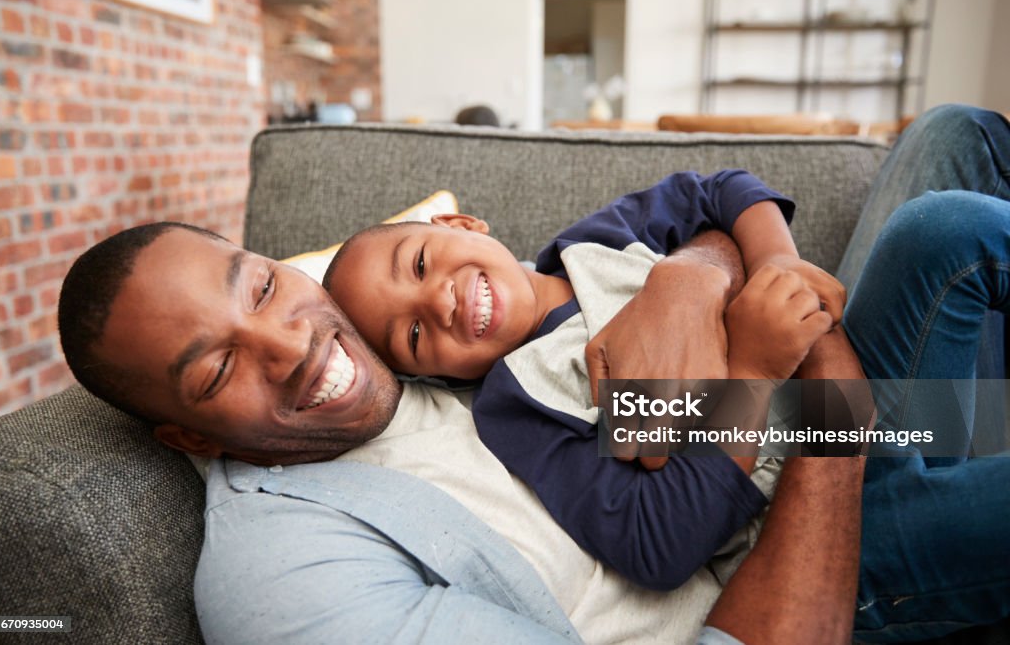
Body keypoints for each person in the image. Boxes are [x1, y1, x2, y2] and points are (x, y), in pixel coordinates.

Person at [55, 105, 1010, 643]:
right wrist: (811, 402)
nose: (292, 345)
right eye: (218, 368)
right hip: (804, 541)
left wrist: (692, 281)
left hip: (821, 427)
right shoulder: (297, 575)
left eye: (261, 287)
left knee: (950, 201)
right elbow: (663, 542)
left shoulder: (465, 310)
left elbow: (708, 204)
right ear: (185, 433)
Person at [320, 173, 844, 589]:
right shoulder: (515, 409)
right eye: (412, 333)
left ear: (460, 224)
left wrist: (779, 263)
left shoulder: (598, 241)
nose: (439, 301)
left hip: (853, 385)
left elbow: (722, 189)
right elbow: (656, 545)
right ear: (432, 376)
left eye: (418, 262)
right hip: (825, 507)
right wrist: (752, 373)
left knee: (924, 230)